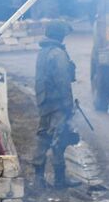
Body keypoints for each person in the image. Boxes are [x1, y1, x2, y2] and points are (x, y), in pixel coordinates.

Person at [33, 20, 78, 186]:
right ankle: (60, 179)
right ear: (60, 34)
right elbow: (63, 83)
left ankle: (38, 178)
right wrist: (68, 106)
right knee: (58, 139)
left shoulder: (43, 52)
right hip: (57, 103)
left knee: (43, 137)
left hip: (44, 101)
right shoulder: (58, 54)